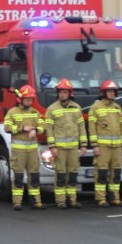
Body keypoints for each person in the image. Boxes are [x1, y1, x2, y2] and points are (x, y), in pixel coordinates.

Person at [45, 78, 88, 209]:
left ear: (70, 93)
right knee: (60, 174)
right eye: (61, 92)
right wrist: (52, 147)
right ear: (58, 93)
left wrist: (84, 144)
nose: (63, 94)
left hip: (73, 148)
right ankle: (61, 200)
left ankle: (72, 199)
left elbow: (81, 127)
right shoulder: (52, 109)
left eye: (65, 92)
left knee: (73, 173)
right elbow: (49, 130)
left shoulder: (76, 108)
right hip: (59, 149)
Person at [3, 85, 46, 211]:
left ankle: (36, 201)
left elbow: (42, 124)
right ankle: (17, 202)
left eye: (31, 100)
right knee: (18, 176)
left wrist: (37, 130)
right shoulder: (12, 112)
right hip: (18, 151)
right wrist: (23, 129)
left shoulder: (34, 112)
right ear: (20, 99)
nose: (29, 102)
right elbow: (7, 127)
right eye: (27, 100)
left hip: (32, 150)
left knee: (34, 176)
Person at [87, 80, 122, 207]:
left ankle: (115, 197)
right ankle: (101, 198)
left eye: (113, 91)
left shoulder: (117, 107)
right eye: (109, 91)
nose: (112, 93)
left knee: (116, 173)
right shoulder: (96, 107)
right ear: (104, 92)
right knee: (102, 173)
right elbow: (92, 128)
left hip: (116, 146)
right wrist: (95, 145)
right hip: (102, 147)